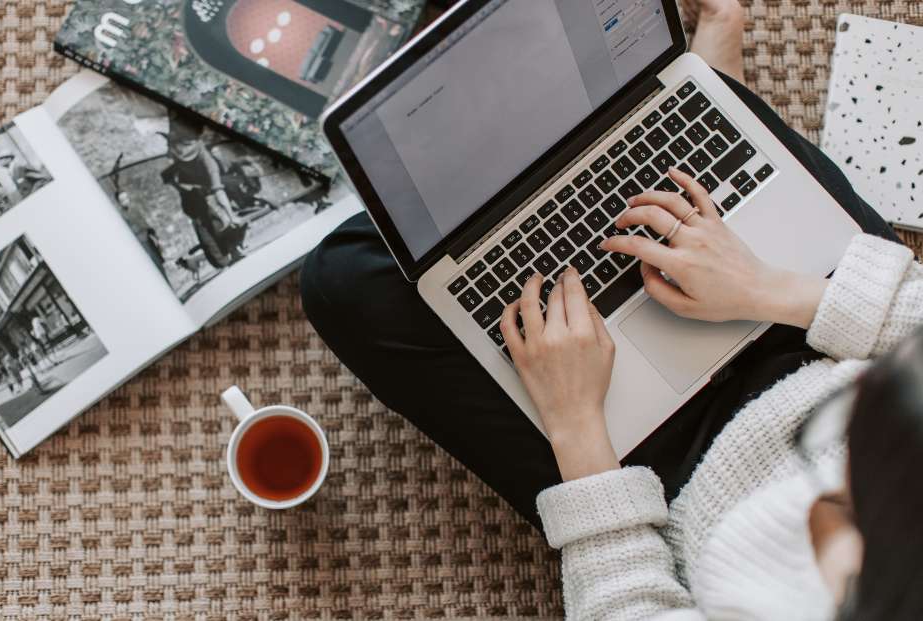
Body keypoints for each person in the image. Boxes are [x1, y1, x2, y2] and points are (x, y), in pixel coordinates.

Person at [299, 0, 923, 618]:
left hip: (663, 482)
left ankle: (685, 97)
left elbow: (625, 607)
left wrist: (576, 426)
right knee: (707, 123)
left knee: (346, 275)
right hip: (834, 339)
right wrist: (765, 287)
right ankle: (687, 97)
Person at [161, 115, 247, 269]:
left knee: (219, 221)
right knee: (208, 234)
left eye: (184, 147)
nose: (180, 151)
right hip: (191, 197)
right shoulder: (175, 142)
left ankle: (233, 248)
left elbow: (218, 192)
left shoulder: (209, 163)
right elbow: (171, 169)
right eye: (178, 147)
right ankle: (226, 253)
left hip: (209, 193)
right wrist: (180, 186)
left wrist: (230, 215)